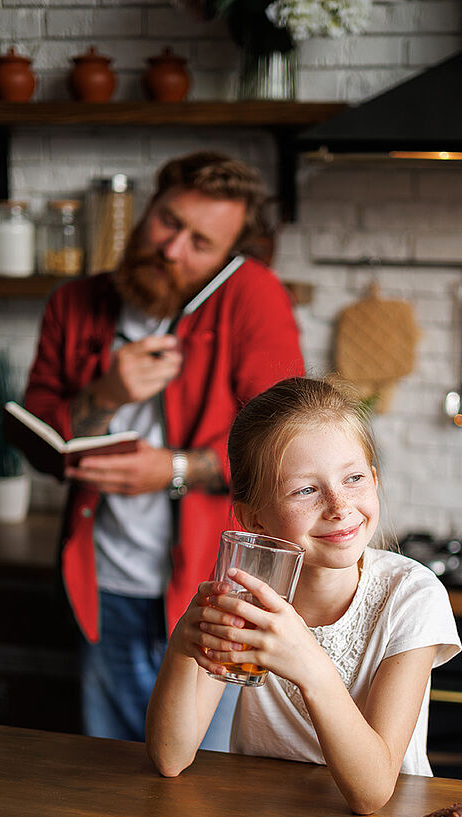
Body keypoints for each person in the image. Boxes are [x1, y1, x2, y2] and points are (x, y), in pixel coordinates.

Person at [23, 151, 304, 741]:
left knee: (205, 779)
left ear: (229, 256)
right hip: (105, 585)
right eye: (168, 222)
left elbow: (285, 445)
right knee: (112, 779)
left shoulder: (252, 296)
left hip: (217, 592)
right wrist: (102, 395)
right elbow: (39, 442)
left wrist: (175, 469)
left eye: (200, 243)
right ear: (148, 208)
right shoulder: (74, 304)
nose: (172, 249)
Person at [146, 377, 462, 814]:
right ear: (253, 519)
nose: (338, 505)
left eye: (353, 479)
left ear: (374, 479)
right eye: (305, 490)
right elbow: (170, 757)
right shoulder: (245, 598)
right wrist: (183, 645)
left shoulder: (411, 596)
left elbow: (371, 793)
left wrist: (308, 665)